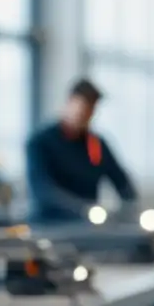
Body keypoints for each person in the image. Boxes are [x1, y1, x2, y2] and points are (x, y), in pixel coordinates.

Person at [25, 78, 137, 223]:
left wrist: (131, 207)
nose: (86, 114)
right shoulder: (40, 142)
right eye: (83, 107)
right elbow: (43, 190)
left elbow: (121, 182)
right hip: (49, 226)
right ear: (70, 102)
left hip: (86, 228)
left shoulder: (96, 145)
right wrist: (83, 208)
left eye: (91, 109)